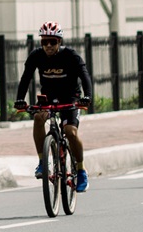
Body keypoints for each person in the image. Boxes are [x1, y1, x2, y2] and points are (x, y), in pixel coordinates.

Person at [14, 21, 92, 192]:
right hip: (48, 98)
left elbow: (85, 76)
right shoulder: (36, 56)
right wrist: (19, 99)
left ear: (60, 42)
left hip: (70, 98)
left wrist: (87, 97)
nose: (48, 46)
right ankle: (43, 161)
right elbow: (25, 79)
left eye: (53, 42)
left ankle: (81, 170)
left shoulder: (71, 55)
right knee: (38, 118)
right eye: (44, 42)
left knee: (70, 132)